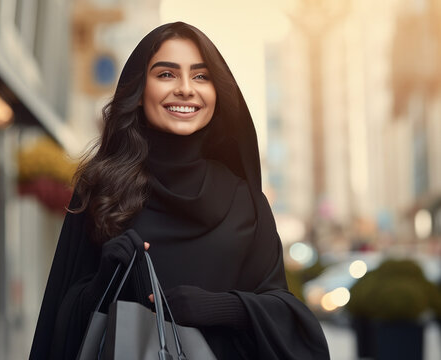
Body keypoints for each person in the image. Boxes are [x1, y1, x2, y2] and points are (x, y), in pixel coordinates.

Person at [30, 22, 330, 359]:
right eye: (166, 74)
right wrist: (104, 281)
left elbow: (286, 315)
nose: (186, 89)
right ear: (140, 91)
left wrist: (220, 307)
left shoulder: (245, 201)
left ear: (218, 93)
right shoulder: (101, 190)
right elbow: (60, 321)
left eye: (201, 76)